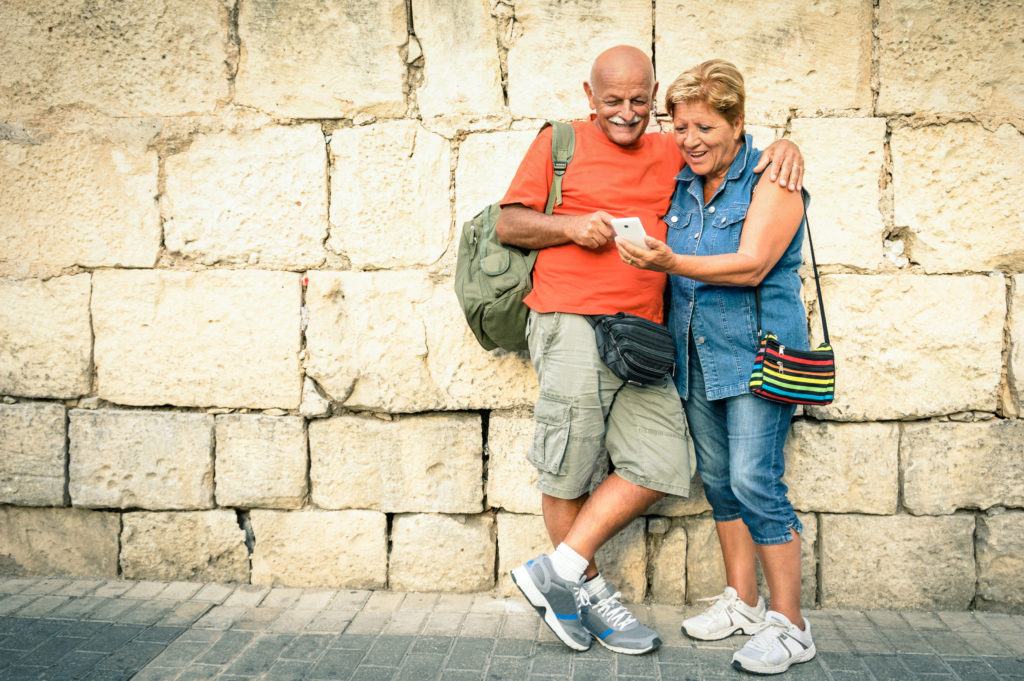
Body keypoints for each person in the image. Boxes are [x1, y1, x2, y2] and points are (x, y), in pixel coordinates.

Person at [496, 45, 804, 656]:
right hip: (570, 320)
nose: (628, 113)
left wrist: (786, 145)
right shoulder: (560, 141)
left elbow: (728, 145)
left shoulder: (678, 150)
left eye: (641, 101)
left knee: (665, 461)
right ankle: (586, 593)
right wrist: (569, 227)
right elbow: (509, 223)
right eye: (613, 101)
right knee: (570, 463)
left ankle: (555, 570)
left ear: (653, 95)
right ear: (590, 97)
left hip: (646, 334)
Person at [615, 59, 814, 674]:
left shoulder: (771, 179)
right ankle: (744, 604)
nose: (691, 140)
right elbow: (617, 136)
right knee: (722, 482)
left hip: (759, 355)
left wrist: (667, 264)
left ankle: (792, 625)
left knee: (758, 483)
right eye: (681, 128)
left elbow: (753, 264)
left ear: (738, 124)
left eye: (704, 127)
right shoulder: (681, 179)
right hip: (696, 354)